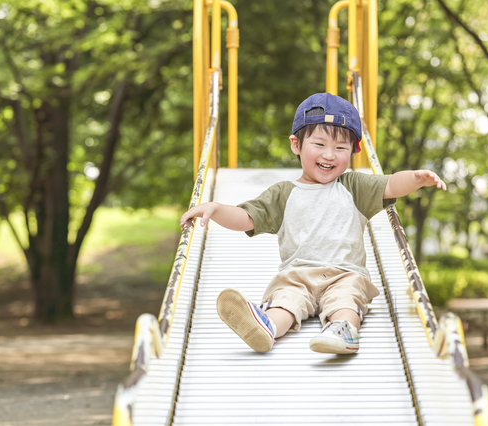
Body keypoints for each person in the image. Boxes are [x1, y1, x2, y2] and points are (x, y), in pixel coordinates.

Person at [180, 93, 446, 354]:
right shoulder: (283, 193)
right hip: (297, 276)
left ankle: (343, 331)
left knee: (345, 300)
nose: (329, 155)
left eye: (340, 148)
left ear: (354, 151)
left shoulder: (355, 187)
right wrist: (215, 209)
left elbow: (389, 184)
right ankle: (268, 326)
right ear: (296, 144)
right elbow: (247, 217)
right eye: (319, 145)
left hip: (344, 274)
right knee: (284, 301)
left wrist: (416, 178)